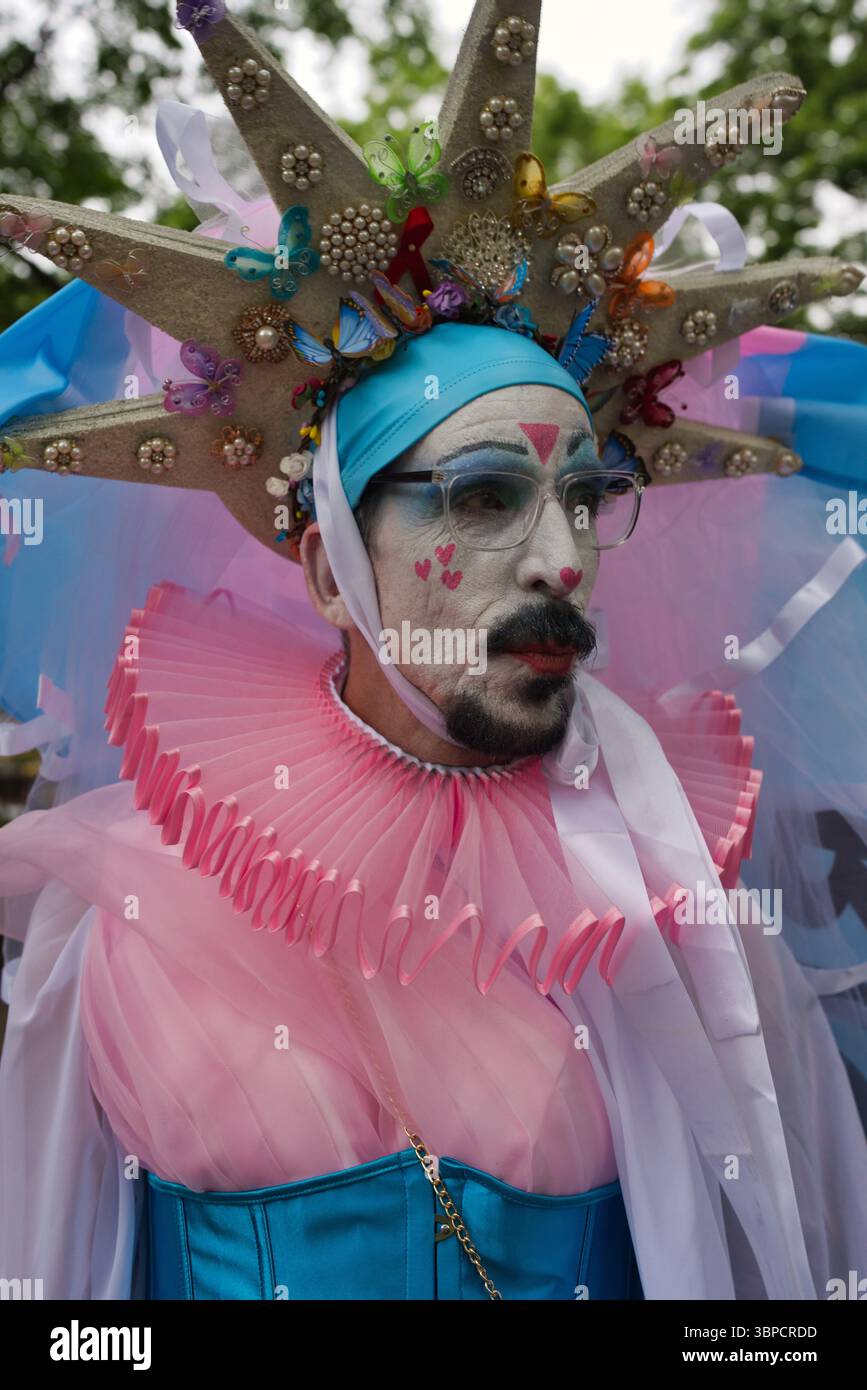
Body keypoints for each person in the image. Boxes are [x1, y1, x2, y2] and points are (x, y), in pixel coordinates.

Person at [0, 0, 866, 1301]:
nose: (562, 559)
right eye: (479, 497)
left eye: (582, 498)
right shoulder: (119, 913)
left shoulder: (678, 906)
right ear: (325, 566)